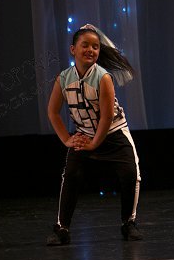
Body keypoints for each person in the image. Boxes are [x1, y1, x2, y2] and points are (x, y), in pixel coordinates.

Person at [46, 24, 142, 246]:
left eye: (95, 47)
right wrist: (67, 139)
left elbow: (107, 117)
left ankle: (128, 223)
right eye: (85, 45)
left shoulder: (103, 77)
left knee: (131, 174)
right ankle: (62, 228)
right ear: (73, 49)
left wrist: (93, 144)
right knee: (70, 175)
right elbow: (52, 112)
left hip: (114, 133)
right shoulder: (63, 78)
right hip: (85, 134)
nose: (90, 50)